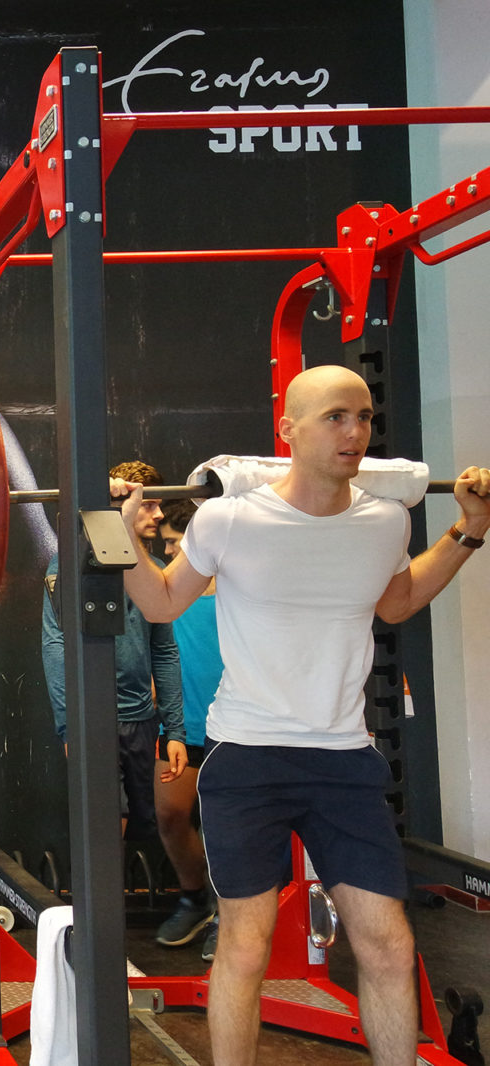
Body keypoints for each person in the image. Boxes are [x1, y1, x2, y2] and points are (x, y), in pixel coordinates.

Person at [117, 364, 489, 1066]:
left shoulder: (385, 520)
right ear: (288, 429)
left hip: (343, 760)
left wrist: (470, 530)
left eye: (365, 417)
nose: (355, 432)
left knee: (388, 944)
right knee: (246, 945)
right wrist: (117, 531)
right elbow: (162, 601)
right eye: (336, 417)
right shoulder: (229, 518)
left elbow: (398, 602)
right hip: (247, 757)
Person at [40, 460, 188, 847]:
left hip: (142, 721)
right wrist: (69, 726)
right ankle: (100, 893)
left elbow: (164, 652)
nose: (159, 515)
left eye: (158, 504)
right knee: (109, 820)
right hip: (94, 720)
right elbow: (55, 645)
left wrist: (174, 731)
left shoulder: (156, 571)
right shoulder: (69, 567)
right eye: (148, 504)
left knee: (143, 826)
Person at [153, 497, 222, 958]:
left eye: (175, 543)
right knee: (170, 815)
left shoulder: (238, 587)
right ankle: (195, 899)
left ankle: (227, 915)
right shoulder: (163, 591)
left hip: (232, 728)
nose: (168, 553)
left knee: (224, 828)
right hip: (181, 727)